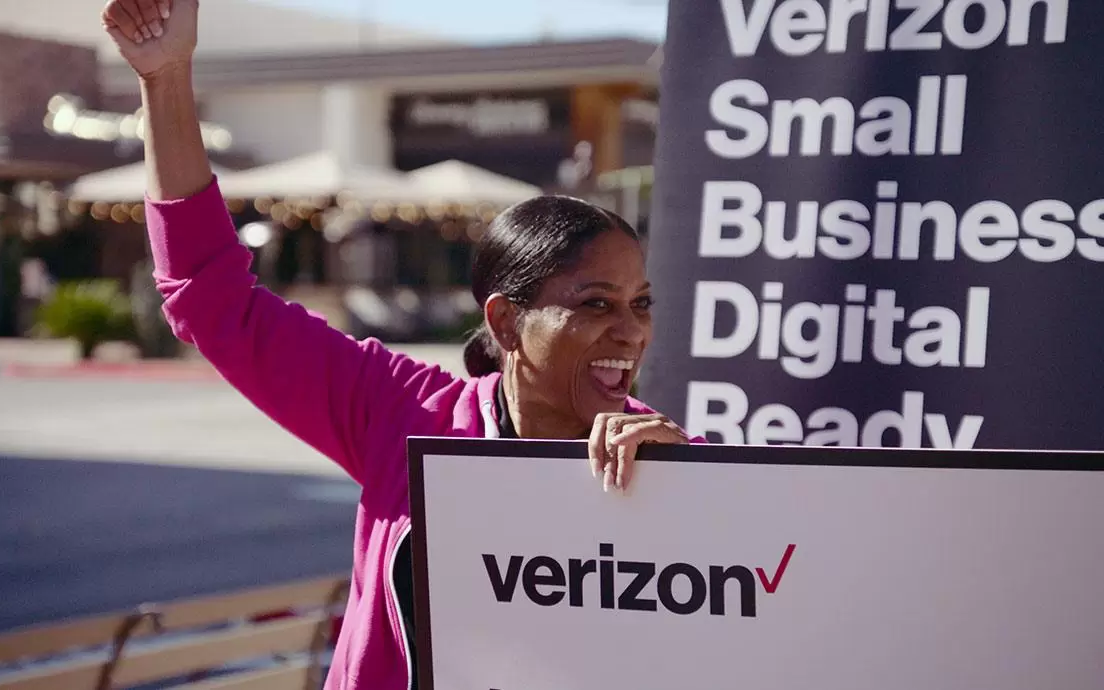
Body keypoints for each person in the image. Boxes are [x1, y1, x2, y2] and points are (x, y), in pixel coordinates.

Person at [100, 1, 706, 687]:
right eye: (596, 303)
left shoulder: (679, 464)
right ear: (507, 323)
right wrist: (167, 77)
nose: (630, 330)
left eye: (641, 304)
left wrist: (691, 506)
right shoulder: (405, 417)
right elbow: (213, 304)